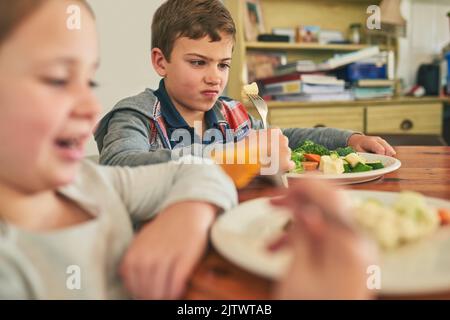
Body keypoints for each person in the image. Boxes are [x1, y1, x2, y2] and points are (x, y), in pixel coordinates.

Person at [0, 0, 237, 299]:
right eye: (58, 79)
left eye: (89, 81)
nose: (92, 107)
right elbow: (123, 159)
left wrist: (192, 209)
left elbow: (198, 172)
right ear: (161, 61)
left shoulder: (90, 183)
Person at [93, 0, 396, 178]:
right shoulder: (136, 115)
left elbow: (281, 138)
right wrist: (235, 154)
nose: (215, 78)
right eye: (198, 63)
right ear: (161, 62)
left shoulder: (231, 113)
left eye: (223, 65)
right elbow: (119, 164)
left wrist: (348, 138)